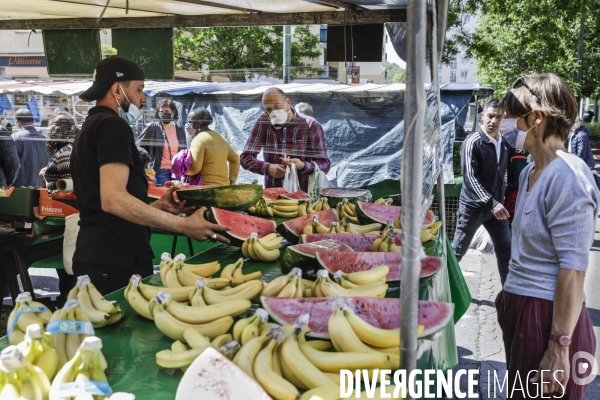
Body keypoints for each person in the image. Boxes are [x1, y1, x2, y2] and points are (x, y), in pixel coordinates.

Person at [71, 56, 230, 295]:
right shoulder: (114, 126)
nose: (143, 98)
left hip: (101, 255)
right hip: (114, 258)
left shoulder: (92, 125)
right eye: (139, 89)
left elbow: (105, 203)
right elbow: (113, 199)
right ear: (117, 89)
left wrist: (157, 206)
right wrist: (183, 226)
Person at [496, 74, 599, 400]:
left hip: (546, 320)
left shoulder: (568, 176)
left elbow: (573, 271)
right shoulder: (529, 171)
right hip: (522, 307)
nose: (505, 122)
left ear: (535, 119)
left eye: (512, 115)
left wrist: (558, 346)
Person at [452, 98, 511, 285]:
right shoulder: (472, 142)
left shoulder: (503, 142)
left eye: (499, 117)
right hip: (473, 209)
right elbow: (470, 178)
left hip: (495, 210)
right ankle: (439, 290)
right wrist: (492, 202)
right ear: (482, 115)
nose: (494, 121)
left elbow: (502, 174)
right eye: (491, 116)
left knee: (506, 250)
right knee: (457, 252)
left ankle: (509, 297)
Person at [240, 88, 330, 192]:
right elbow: (245, 158)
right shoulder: (263, 122)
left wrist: (303, 166)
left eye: (277, 106)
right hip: (274, 194)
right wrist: (268, 168)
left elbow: (325, 164)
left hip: (304, 194)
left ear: (288, 102)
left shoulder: (311, 126)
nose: (274, 112)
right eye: (269, 110)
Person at [180, 108, 240, 186]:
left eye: (190, 122)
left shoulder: (199, 139)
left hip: (204, 189)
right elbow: (235, 159)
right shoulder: (220, 138)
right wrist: (232, 180)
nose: (187, 125)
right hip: (223, 188)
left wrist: (180, 167)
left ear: (199, 123)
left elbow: (194, 169)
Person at [138, 98, 187, 185]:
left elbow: (184, 152)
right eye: (161, 111)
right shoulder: (152, 128)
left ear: (173, 112)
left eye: (167, 111)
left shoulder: (180, 130)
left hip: (177, 173)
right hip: (159, 172)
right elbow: (138, 148)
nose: (164, 114)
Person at [41, 113, 79, 191]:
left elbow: (69, 185)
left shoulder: (65, 153)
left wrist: (50, 183)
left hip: (62, 201)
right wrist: (51, 169)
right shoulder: (70, 149)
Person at [12, 108, 48, 187]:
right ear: (33, 121)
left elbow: (11, 165)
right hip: (41, 189)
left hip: (20, 191)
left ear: (17, 122)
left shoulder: (15, 138)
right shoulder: (45, 138)